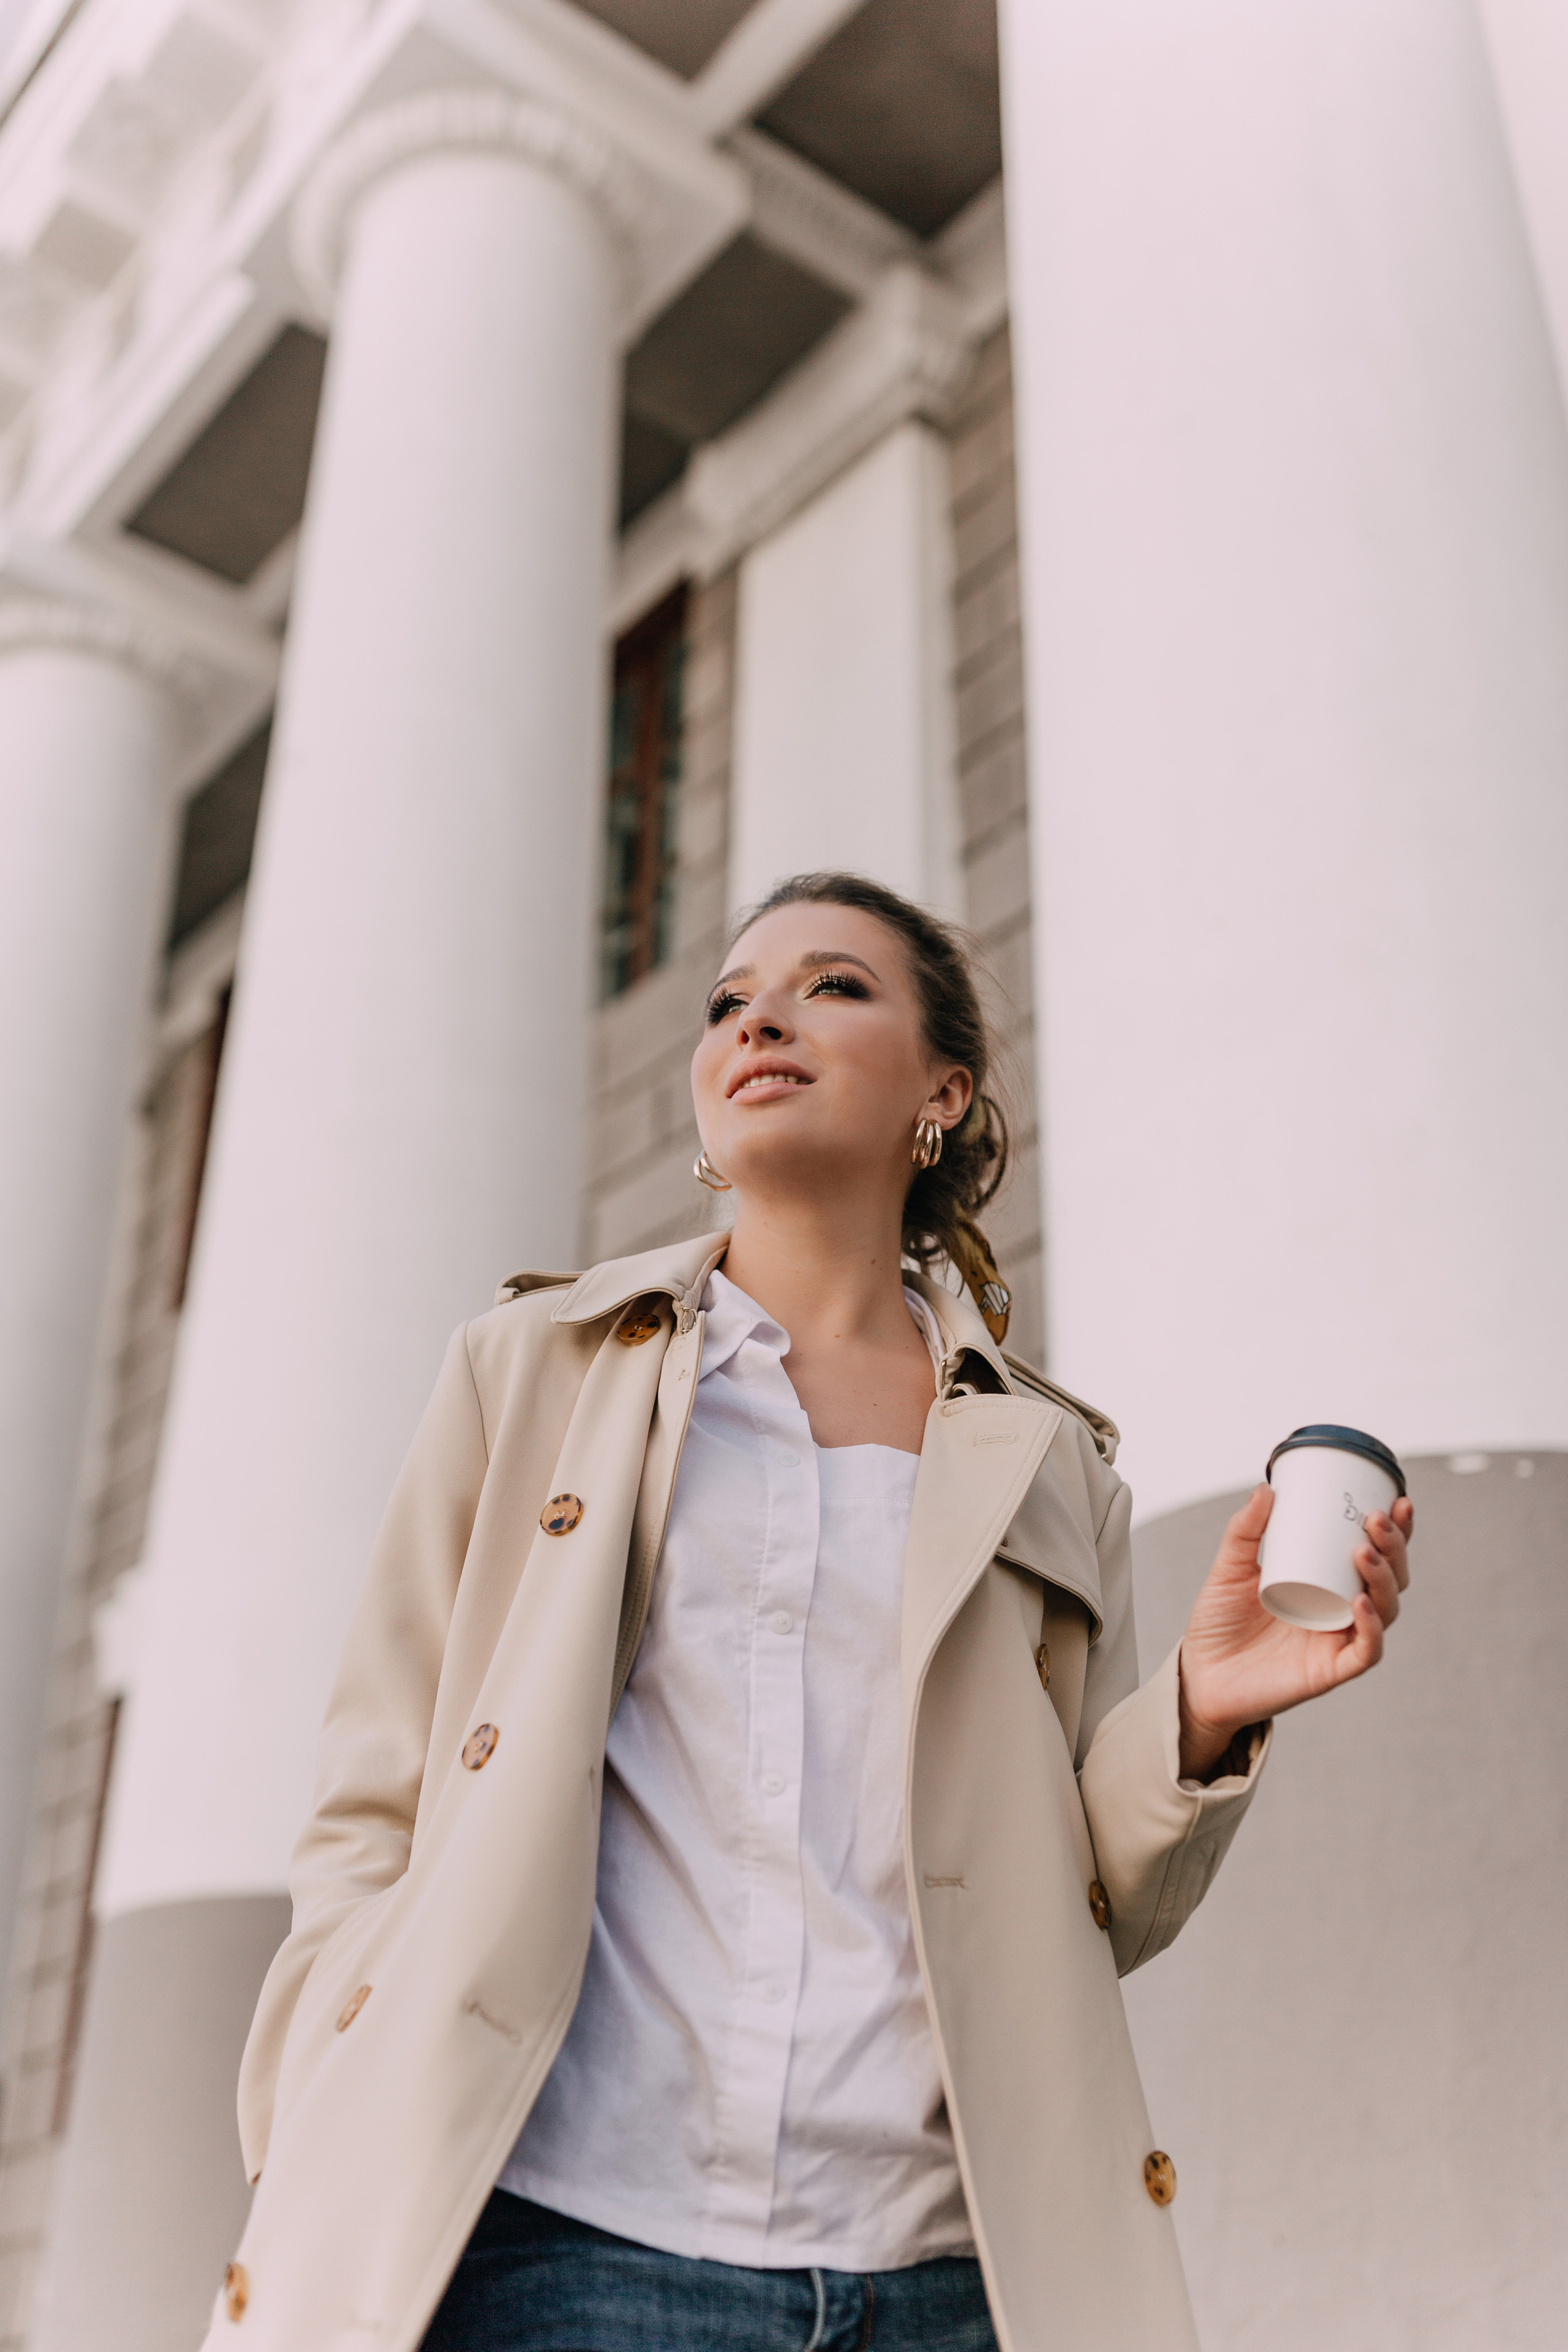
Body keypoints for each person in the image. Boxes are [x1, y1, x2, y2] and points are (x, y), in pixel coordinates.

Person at [206, 872, 1412, 2352]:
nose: (758, 1017)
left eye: (833, 986)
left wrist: (1201, 1713)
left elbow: (1062, 1899)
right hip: (566, 2236)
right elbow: (375, 1793)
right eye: (726, 1001)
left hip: (944, 2270)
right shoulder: (531, 1371)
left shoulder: (1048, 1461)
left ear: (942, 1094)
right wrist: (317, 2095)